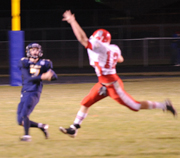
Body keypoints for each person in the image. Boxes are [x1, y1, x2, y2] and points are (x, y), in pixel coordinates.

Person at [59, 10, 177, 138]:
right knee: (86, 102)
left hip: (112, 85)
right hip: (103, 83)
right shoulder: (113, 47)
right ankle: (74, 128)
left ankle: (164, 105)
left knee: (135, 106)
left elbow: (82, 39)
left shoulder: (101, 47)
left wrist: (72, 21)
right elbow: (121, 59)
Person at [17, 42, 58, 142]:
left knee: (24, 114)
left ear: (40, 51)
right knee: (20, 121)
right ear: (29, 51)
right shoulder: (24, 62)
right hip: (25, 91)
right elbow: (27, 78)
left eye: (37, 50)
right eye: (33, 50)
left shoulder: (45, 63)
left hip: (34, 92)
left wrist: (50, 76)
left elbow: (55, 77)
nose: (35, 52)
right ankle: (42, 126)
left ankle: (27, 136)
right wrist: (42, 77)